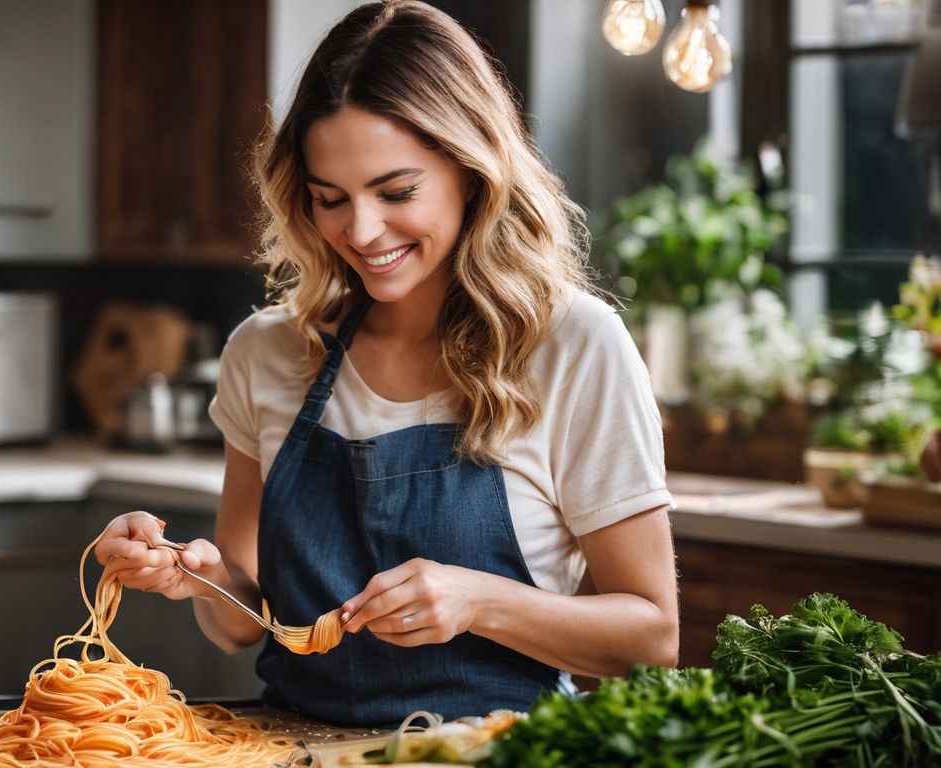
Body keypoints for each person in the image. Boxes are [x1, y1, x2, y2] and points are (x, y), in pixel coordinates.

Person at [96, 0, 678, 726]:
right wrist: (197, 575)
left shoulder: (573, 344)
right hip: (296, 746)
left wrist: (481, 602)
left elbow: (652, 637)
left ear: (472, 171)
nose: (362, 231)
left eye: (396, 192)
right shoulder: (265, 353)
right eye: (329, 199)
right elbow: (244, 621)